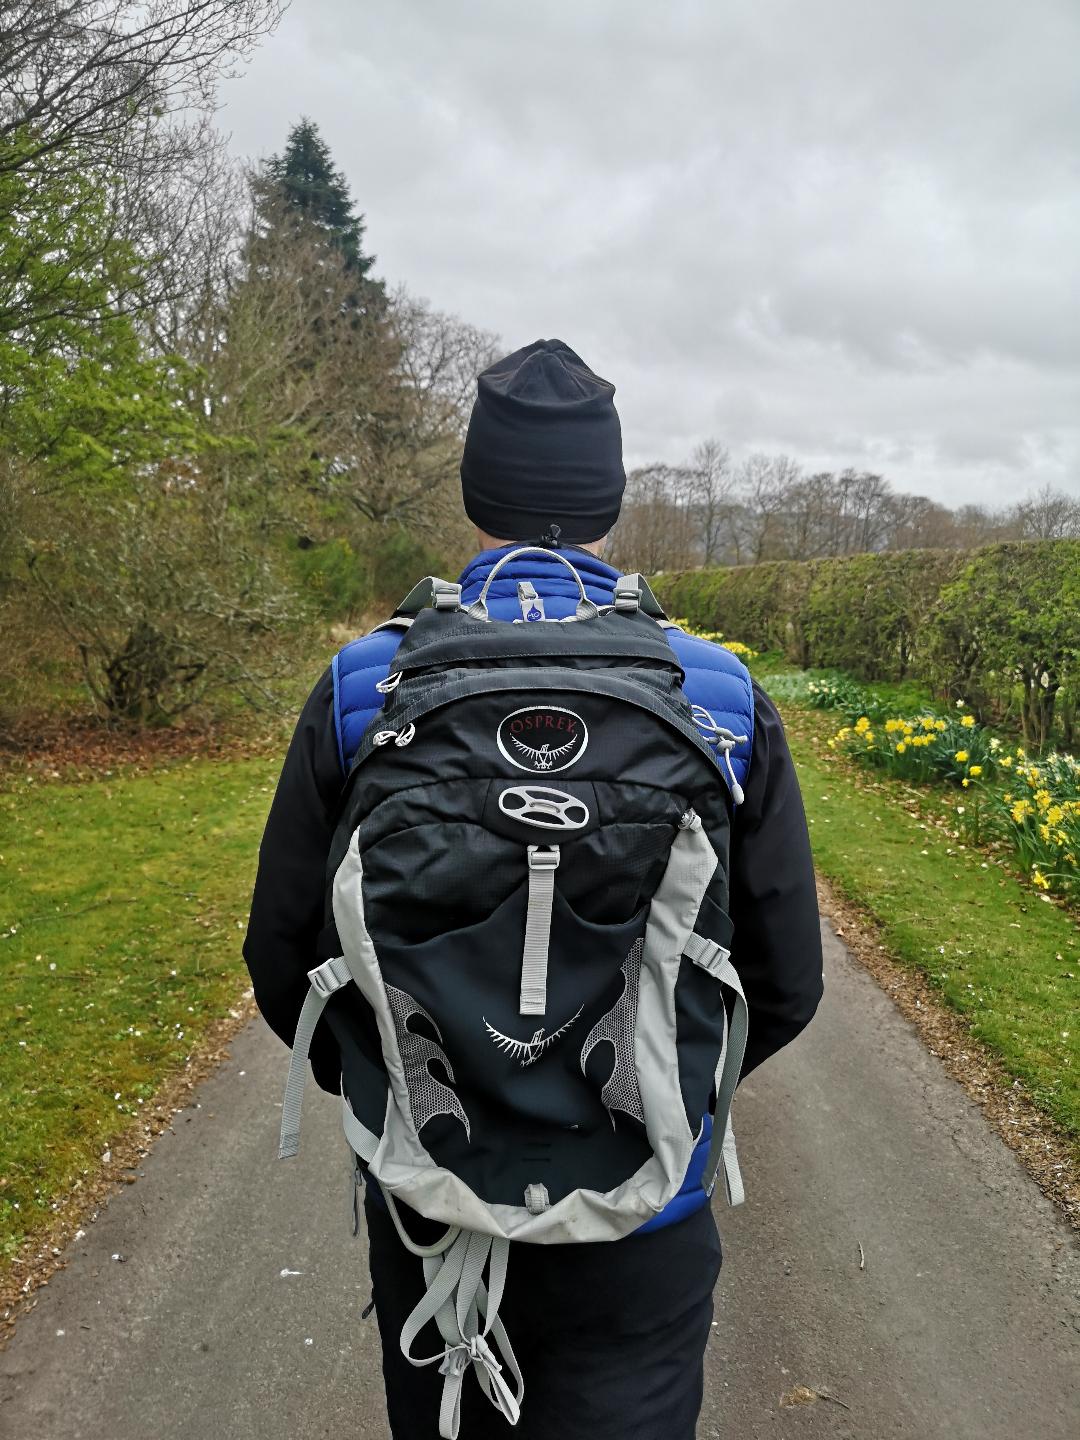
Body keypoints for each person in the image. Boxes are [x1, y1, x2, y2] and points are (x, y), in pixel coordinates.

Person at [243, 339, 823, 1439]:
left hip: (430, 1204)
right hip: (645, 1214)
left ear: (476, 490)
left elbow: (283, 961)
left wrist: (395, 1090)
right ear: (607, 496)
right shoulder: (720, 696)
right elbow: (786, 983)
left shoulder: (366, 685)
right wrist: (677, 1096)